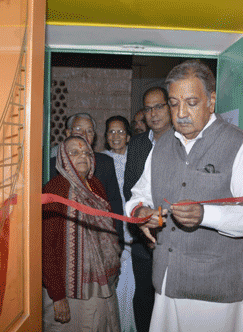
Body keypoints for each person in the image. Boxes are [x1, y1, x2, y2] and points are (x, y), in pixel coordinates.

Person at [125, 60, 243, 332]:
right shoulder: (160, 146)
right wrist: (140, 213)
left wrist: (207, 215)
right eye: (173, 103)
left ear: (211, 101)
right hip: (169, 284)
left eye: (191, 102)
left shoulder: (239, 145)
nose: (181, 113)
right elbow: (138, 195)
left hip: (217, 292)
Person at [42, 135, 121, 331]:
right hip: (70, 288)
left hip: (102, 282)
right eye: (74, 153)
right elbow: (45, 246)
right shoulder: (55, 189)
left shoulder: (96, 186)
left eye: (87, 152)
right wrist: (58, 296)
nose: (83, 157)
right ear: (63, 158)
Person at [123, 86, 172, 332]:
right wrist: (143, 223)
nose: (153, 114)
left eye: (159, 106)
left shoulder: (184, 139)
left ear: (170, 106)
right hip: (143, 239)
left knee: (171, 302)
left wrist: (162, 227)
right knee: (144, 298)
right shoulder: (139, 144)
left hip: (176, 238)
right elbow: (130, 188)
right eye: (148, 108)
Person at [49, 112, 125, 245]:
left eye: (89, 131)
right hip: (63, 241)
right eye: (78, 129)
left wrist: (117, 242)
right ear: (68, 133)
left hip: (100, 241)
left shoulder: (105, 163)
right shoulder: (53, 165)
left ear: (94, 137)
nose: (84, 134)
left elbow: (115, 205)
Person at [101, 115, 137, 332]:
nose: (116, 136)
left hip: (134, 230)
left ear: (128, 136)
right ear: (105, 137)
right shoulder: (100, 161)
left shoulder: (136, 160)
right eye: (111, 132)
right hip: (112, 231)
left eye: (121, 132)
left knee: (132, 289)